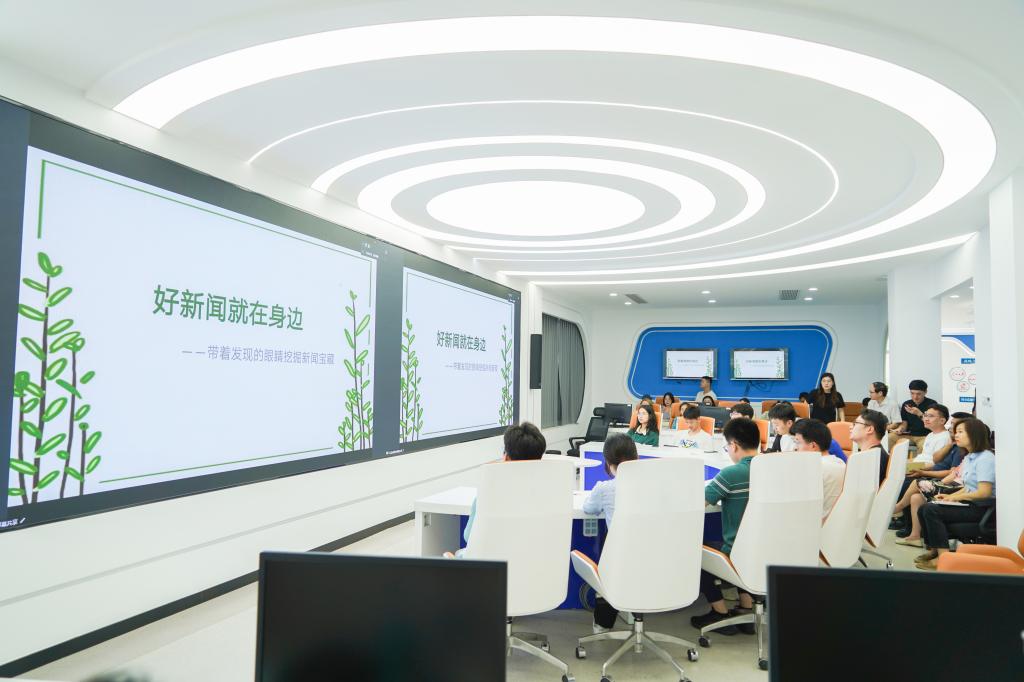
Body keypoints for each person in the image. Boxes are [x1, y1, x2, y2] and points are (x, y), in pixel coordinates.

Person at [690, 418, 762, 635]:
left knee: (694, 551)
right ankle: (746, 609)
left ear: (734, 445)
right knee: (745, 543)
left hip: (736, 554)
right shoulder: (772, 469)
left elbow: (697, 503)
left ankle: (719, 611)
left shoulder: (732, 474)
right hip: (766, 551)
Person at [914, 418, 996, 570]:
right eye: (956, 432)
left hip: (982, 508)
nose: (955, 435)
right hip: (971, 504)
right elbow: (968, 487)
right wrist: (949, 497)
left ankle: (944, 559)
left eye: (960, 432)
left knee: (931, 510)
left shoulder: (986, 458)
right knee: (925, 507)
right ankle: (934, 550)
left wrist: (955, 497)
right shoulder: (970, 457)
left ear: (974, 434)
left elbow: (984, 492)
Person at [583, 434, 639, 632]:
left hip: (619, 559)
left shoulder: (604, 489)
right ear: (636, 457)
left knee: (607, 560)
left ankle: (603, 625)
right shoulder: (654, 486)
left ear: (607, 462)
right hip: (651, 555)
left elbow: (588, 509)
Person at [461, 422, 546, 547]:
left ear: (506, 458)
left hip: (492, 560)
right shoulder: (548, 494)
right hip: (537, 559)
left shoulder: (487, 494)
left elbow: (469, 536)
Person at [792, 418, 846, 520]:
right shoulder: (840, 462)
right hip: (835, 521)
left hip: (815, 523)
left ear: (813, 446)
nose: (795, 448)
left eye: (798, 442)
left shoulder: (813, 469)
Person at [887, 379, 937, 451]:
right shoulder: (907, 404)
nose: (915, 397)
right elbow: (904, 422)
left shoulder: (932, 404)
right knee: (889, 438)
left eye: (918, 394)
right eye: (912, 393)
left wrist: (919, 414)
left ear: (925, 392)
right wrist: (901, 429)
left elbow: (933, 424)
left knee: (924, 447)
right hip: (908, 434)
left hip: (924, 436)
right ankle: (891, 458)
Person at [849, 408, 890, 484]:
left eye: (855, 423)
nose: (850, 427)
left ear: (870, 429)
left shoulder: (870, 460)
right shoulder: (877, 454)